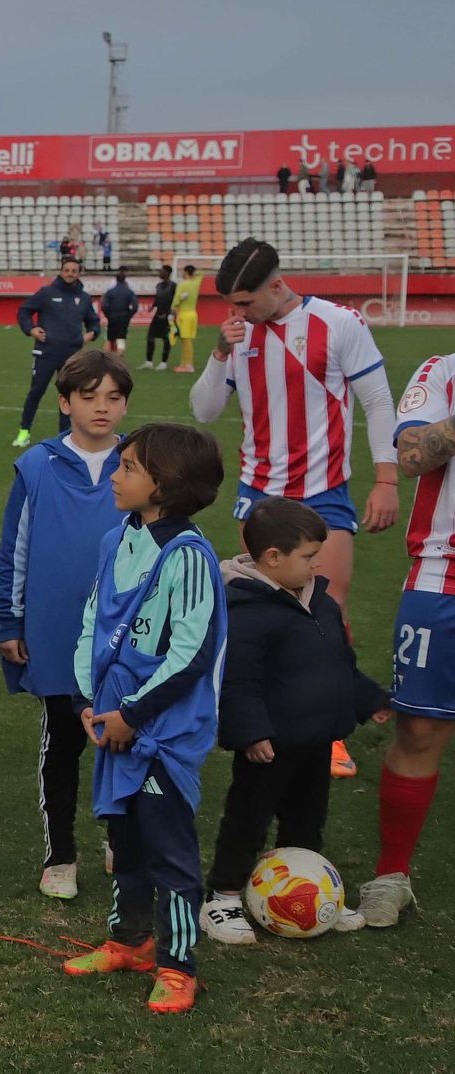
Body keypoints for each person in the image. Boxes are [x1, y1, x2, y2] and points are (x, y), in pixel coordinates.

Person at [190, 238, 399, 778]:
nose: (237, 313)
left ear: (277, 287)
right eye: (231, 305)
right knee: (266, 618)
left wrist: (385, 478)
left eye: (245, 302)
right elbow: (205, 410)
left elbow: (377, 402)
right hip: (259, 495)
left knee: (327, 613)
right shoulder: (238, 337)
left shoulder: (338, 323)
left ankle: (328, 728)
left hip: (325, 491)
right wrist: (218, 351)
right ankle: (264, 720)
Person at [61, 422, 226, 1015]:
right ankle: (129, 941)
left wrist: (133, 713)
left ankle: (178, 964)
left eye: (128, 466)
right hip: (112, 717)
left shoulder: (189, 557)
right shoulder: (117, 539)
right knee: (124, 838)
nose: (115, 474)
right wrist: (87, 701)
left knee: (168, 846)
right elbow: (92, 623)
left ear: (167, 484)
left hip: (161, 728)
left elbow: (192, 652)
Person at [199, 498, 388, 945]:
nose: (316, 564)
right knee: (248, 820)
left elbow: (340, 664)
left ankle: (305, 891)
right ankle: (222, 897)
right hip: (269, 746)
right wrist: (250, 732)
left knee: (307, 821)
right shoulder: (245, 610)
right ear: (272, 557)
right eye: (308, 556)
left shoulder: (318, 601)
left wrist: (369, 697)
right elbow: (237, 681)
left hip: (316, 739)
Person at [0, 350, 131, 899]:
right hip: (55, 629)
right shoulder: (38, 465)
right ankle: (61, 854)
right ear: (65, 401)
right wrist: (10, 619)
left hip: (125, 633)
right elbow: (16, 548)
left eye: (115, 397)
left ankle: (120, 836)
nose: (102, 408)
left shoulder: (142, 463)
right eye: (90, 396)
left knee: (123, 738)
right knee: (63, 745)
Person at [355, 349, 455, 927]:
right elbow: (411, 455)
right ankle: (393, 873)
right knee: (420, 727)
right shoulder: (441, 371)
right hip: (443, 575)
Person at [11, 257, 98, 447]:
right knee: (36, 392)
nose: (70, 274)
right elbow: (24, 311)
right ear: (61, 271)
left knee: (68, 396)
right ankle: (24, 432)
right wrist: (31, 329)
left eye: (74, 271)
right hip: (46, 353)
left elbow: (93, 321)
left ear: (78, 273)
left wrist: (90, 334)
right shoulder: (46, 292)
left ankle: (65, 437)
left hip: (72, 356)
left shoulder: (83, 298)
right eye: (67, 270)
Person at [167, 264, 202, 373]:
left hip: (184, 315)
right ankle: (184, 363)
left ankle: (188, 365)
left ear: (186, 273)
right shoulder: (196, 283)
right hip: (193, 314)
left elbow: (176, 302)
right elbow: (200, 274)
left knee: (186, 341)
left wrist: (172, 313)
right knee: (187, 340)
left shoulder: (182, 285)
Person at [142, 265, 175, 372]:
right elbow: (158, 298)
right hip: (157, 315)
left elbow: (175, 302)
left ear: (168, 273)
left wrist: (170, 313)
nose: (160, 273)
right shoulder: (159, 285)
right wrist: (152, 307)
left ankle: (163, 363)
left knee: (166, 339)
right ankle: (149, 362)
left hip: (167, 317)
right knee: (150, 338)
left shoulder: (173, 286)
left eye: (162, 271)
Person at [100, 270, 138, 357]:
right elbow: (135, 306)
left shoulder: (110, 292)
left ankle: (108, 357)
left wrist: (108, 315)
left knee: (111, 338)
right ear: (125, 280)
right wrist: (129, 315)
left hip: (112, 317)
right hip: (124, 316)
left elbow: (104, 305)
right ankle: (119, 355)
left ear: (116, 280)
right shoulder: (129, 292)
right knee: (121, 337)